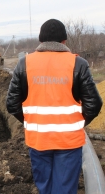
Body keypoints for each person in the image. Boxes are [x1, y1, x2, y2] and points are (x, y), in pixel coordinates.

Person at [6, 19, 103, 194]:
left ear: (40, 41)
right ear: (64, 41)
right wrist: (77, 124)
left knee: (45, 188)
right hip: (69, 143)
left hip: (38, 141)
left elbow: (12, 104)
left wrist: (32, 122)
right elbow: (94, 104)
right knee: (64, 189)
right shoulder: (78, 64)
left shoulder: (24, 64)